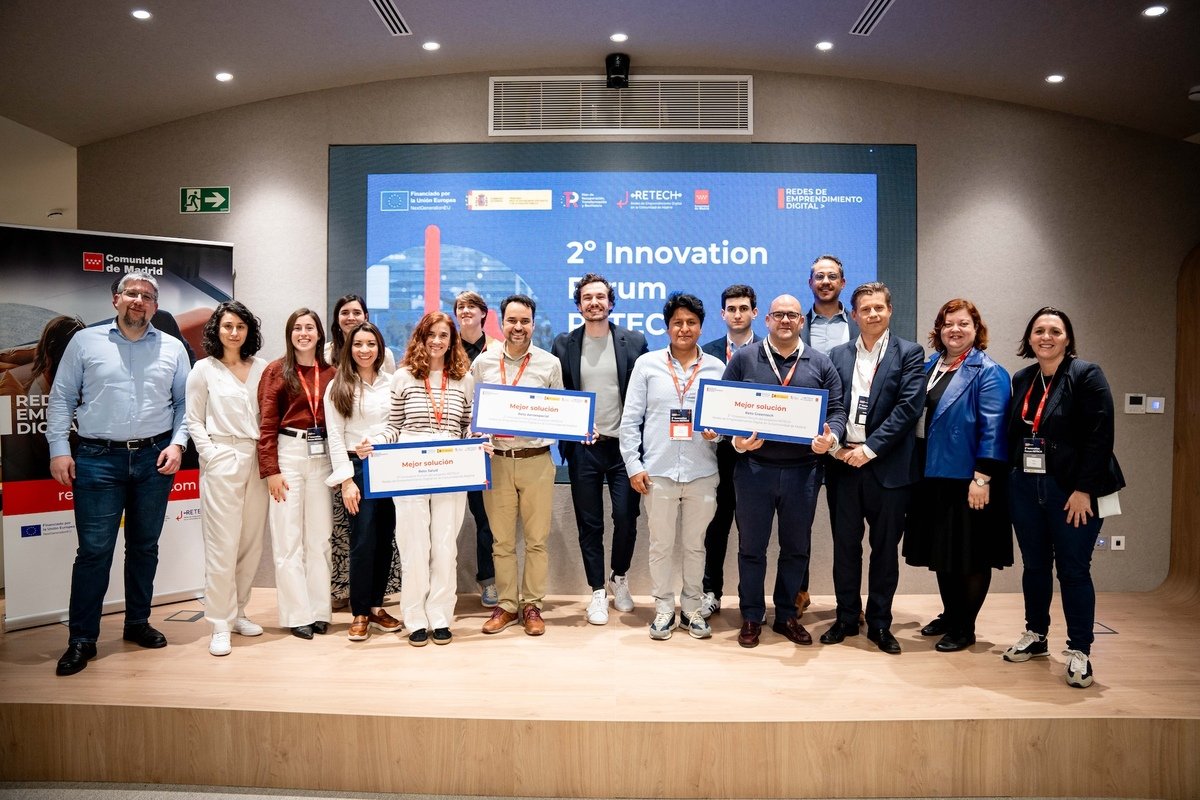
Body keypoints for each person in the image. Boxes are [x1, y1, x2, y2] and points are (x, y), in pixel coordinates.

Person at [46, 271, 190, 676]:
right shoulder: (84, 342)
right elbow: (61, 399)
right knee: (94, 552)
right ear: (116, 299)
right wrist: (59, 450)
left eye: (147, 296)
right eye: (131, 293)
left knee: (144, 547)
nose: (138, 300)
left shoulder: (173, 348)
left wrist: (178, 444)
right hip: (97, 459)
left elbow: (185, 403)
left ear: (155, 306)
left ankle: (137, 622)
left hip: (154, 459)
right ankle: (82, 639)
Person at [1002, 307, 1124, 689]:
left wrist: (1084, 489)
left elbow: (1101, 435)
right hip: (1027, 487)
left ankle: (1080, 650)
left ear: (1067, 338)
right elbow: (1014, 433)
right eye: (1039, 330)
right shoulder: (1023, 378)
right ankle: (1036, 634)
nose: (1046, 337)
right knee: (1035, 566)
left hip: (1073, 491)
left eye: (1055, 331)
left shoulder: (1085, 375)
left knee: (1073, 570)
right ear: (1030, 337)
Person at [722, 294, 845, 648]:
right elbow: (724, 406)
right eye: (779, 315)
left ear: (801, 321)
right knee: (751, 549)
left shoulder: (820, 362)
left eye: (792, 315)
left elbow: (836, 410)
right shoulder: (745, 358)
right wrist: (736, 441)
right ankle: (751, 615)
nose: (786, 320)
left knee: (796, 549)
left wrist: (831, 438)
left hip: (803, 472)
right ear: (767, 320)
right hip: (754, 471)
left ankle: (787, 614)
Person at [822, 282, 925, 655]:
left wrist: (869, 449)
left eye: (879, 307)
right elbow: (831, 405)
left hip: (888, 468)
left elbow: (908, 408)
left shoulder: (910, 353)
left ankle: (880, 623)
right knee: (845, 548)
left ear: (889, 310)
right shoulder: (836, 355)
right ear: (854, 315)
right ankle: (847, 618)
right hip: (843, 465)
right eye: (865, 309)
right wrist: (835, 447)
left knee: (884, 550)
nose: (873, 314)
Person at [903, 299, 1012, 652]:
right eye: (948, 323)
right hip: (931, 475)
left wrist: (982, 478)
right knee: (944, 552)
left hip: (968, 479)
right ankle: (951, 615)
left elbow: (994, 429)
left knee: (970, 554)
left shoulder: (989, 372)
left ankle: (965, 627)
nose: (955, 330)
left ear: (976, 329)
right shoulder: (929, 366)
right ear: (939, 330)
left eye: (963, 323)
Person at [360, 312, 474, 646]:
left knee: (445, 547)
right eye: (431, 335)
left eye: (444, 335)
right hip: (409, 466)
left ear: (452, 341)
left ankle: (440, 616)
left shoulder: (464, 379)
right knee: (413, 546)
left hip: (451, 466)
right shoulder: (404, 376)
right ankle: (414, 618)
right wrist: (374, 442)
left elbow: (467, 426)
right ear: (421, 338)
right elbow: (394, 426)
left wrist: (479, 440)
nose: (437, 341)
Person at [620, 293, 725, 640]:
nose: (684, 328)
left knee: (696, 545)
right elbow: (630, 420)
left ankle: (692, 608)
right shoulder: (647, 364)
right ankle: (664, 608)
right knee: (661, 545)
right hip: (658, 472)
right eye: (677, 322)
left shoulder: (716, 368)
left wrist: (717, 433)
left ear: (701, 327)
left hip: (702, 472)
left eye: (691, 322)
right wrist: (634, 465)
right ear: (667, 327)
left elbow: (725, 422)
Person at [552, 273, 648, 624]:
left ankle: (618, 577)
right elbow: (557, 396)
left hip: (625, 449)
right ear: (579, 305)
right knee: (589, 523)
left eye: (600, 297)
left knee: (626, 518)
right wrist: (572, 426)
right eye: (587, 298)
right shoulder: (563, 344)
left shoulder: (634, 341)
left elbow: (646, 395)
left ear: (611, 302)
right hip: (584, 448)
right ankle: (596, 591)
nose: (594, 303)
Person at [472, 294, 564, 636]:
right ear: (501, 322)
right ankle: (508, 605)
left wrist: (581, 426)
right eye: (512, 320)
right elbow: (473, 411)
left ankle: (532, 605)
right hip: (497, 461)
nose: (518, 327)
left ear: (533, 324)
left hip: (536, 461)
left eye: (525, 321)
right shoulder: (483, 363)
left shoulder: (549, 364)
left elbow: (561, 411)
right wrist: (476, 433)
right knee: (502, 541)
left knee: (537, 541)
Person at [185, 301, 271, 657]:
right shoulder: (203, 370)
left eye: (240, 326)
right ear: (216, 330)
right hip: (223, 456)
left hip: (257, 459)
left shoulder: (263, 368)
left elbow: (271, 416)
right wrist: (211, 454)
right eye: (227, 326)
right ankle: (219, 623)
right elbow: (193, 419)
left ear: (249, 331)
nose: (234, 332)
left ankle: (239, 613)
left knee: (250, 543)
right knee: (222, 545)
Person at [258, 308, 335, 640]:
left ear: (319, 334)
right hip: (288, 455)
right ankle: (297, 614)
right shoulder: (276, 370)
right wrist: (271, 470)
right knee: (287, 539)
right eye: (297, 328)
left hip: (322, 457)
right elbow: (266, 425)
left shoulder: (331, 373)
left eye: (310, 328)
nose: (304, 333)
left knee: (319, 538)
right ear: (290, 334)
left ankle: (319, 611)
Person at [323, 321, 403, 642]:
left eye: (371, 344)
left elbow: (398, 425)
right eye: (358, 344)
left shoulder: (392, 382)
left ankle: (376, 607)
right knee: (362, 541)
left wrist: (381, 441)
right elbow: (334, 436)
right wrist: (346, 481)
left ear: (380, 348)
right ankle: (359, 612)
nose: (364, 350)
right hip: (357, 469)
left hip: (390, 466)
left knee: (385, 539)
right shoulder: (338, 386)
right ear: (349, 348)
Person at [797, 254, 860, 614]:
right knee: (797, 524)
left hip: (844, 437)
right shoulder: (794, 324)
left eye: (832, 276)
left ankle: (849, 604)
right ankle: (799, 592)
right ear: (810, 283)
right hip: (799, 438)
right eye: (819, 276)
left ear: (842, 283)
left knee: (846, 529)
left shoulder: (857, 326)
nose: (825, 282)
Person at [698, 284, 759, 618]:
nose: (737, 314)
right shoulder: (706, 353)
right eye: (731, 309)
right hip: (716, 453)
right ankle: (711, 592)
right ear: (722, 314)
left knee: (752, 531)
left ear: (754, 313)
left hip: (757, 454)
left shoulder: (767, 351)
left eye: (743, 308)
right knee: (716, 526)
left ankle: (751, 599)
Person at [454, 290, 498, 608]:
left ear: (484, 313)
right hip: (450, 446)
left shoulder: (497, 350)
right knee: (446, 519)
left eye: (471, 306)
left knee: (485, 519)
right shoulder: (444, 348)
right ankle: (439, 584)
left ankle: (489, 581)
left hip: (485, 447)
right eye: (460, 306)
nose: (465, 311)